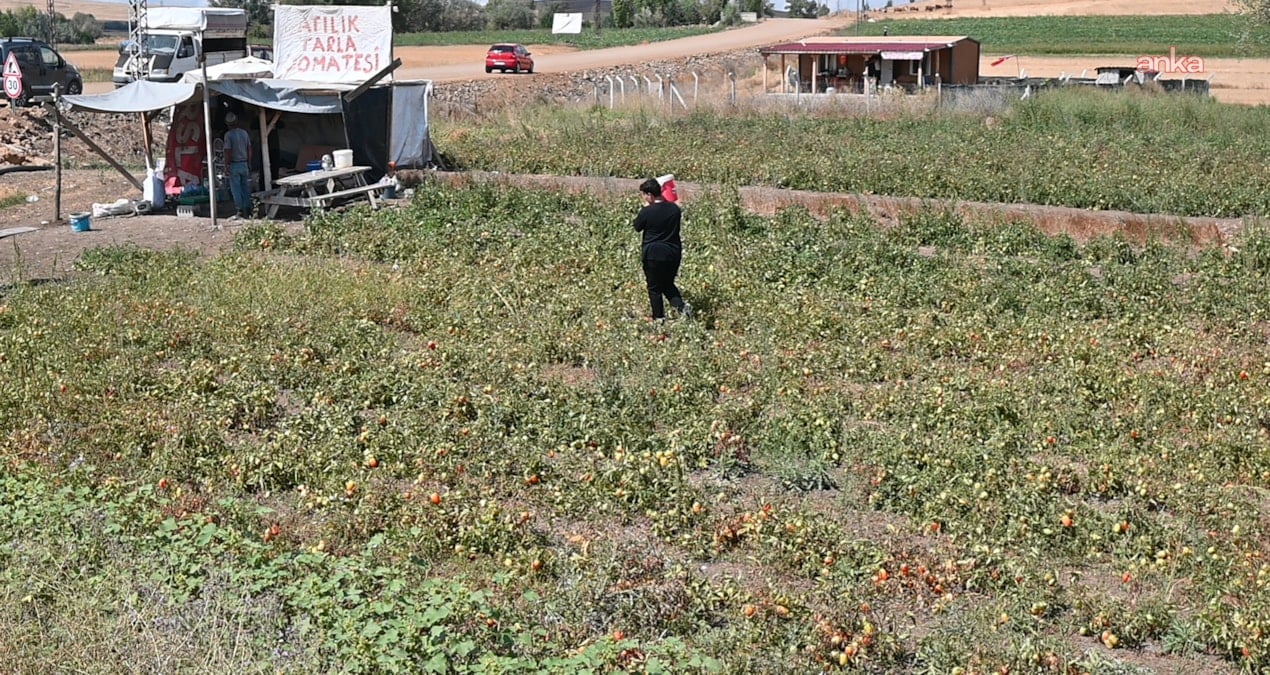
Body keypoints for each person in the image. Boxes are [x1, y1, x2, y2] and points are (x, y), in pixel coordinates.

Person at [633, 177, 692, 321]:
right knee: (667, 284)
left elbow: (637, 227)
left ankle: (658, 318)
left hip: (653, 253)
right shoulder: (675, 210)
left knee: (654, 288)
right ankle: (682, 308)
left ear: (649, 195)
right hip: (673, 253)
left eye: (644, 195)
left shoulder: (647, 211)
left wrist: (645, 207)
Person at [223, 111, 252, 218]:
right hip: (244, 163)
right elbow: (249, 149)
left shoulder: (228, 135)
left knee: (236, 188)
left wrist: (227, 165)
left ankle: (239, 210)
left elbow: (228, 151)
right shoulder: (244, 133)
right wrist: (249, 162)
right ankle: (248, 209)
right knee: (245, 187)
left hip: (234, 164)